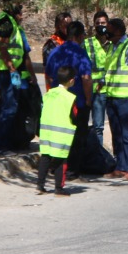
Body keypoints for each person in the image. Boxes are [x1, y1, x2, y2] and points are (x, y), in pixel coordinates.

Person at [45, 21, 95, 176]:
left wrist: (51, 94)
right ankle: (72, 170)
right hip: (76, 102)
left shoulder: (55, 52)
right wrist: (88, 100)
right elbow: (86, 78)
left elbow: (47, 75)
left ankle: (56, 166)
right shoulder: (80, 54)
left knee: (58, 135)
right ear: (80, 36)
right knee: (76, 136)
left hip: (57, 101)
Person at [0, 1, 36, 155]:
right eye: (20, 13)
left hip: (8, 72)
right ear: (16, 13)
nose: (22, 17)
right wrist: (12, 69)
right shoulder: (5, 22)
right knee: (9, 109)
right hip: (6, 72)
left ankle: (7, 143)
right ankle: (1, 147)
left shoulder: (11, 24)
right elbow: (2, 48)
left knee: (11, 107)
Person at [102, 17, 128, 180]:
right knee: (116, 134)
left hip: (126, 99)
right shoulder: (112, 47)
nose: (107, 34)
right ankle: (120, 166)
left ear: (119, 31)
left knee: (127, 134)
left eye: (110, 30)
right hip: (112, 96)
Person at [36, 65, 78, 196]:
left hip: (46, 132)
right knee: (60, 160)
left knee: (45, 157)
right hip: (61, 135)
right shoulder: (70, 97)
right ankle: (59, 188)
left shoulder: (49, 93)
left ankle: (40, 185)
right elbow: (74, 114)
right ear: (71, 81)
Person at [88, 10, 112, 151]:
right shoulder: (87, 43)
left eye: (103, 23)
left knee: (113, 126)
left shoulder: (114, 44)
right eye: (98, 23)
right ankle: (97, 156)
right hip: (93, 91)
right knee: (97, 127)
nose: (100, 26)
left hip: (110, 91)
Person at [41, 11, 72, 87]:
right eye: (65, 26)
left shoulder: (72, 42)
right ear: (57, 27)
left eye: (70, 25)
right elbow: (48, 72)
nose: (68, 28)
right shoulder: (50, 44)